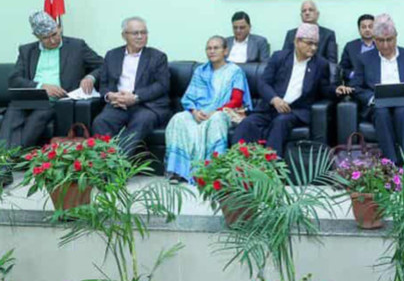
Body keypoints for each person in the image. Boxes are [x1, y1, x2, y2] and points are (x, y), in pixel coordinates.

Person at [1, 11, 103, 149]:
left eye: (54, 34)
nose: (53, 40)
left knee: (38, 117)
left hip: (56, 100)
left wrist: (90, 77)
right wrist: (40, 86)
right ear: (37, 37)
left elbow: (103, 65)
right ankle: (4, 155)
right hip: (31, 97)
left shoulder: (77, 46)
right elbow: (14, 79)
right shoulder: (27, 50)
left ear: (59, 28)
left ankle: (15, 153)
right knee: (12, 112)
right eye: (46, 38)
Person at [234, 23, 333, 157]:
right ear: (297, 41)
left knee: (280, 122)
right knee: (247, 123)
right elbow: (263, 83)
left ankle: (271, 164)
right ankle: (237, 161)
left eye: (316, 44)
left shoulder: (320, 64)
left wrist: (337, 90)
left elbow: (325, 89)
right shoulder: (279, 57)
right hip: (270, 107)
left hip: (294, 111)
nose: (314, 48)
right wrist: (274, 99)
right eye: (309, 43)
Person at [164, 36, 252, 183]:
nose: (212, 51)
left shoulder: (235, 71)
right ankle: (177, 171)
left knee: (217, 119)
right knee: (178, 118)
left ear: (225, 51)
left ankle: (213, 170)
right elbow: (189, 98)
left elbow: (236, 100)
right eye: (209, 48)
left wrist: (215, 111)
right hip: (199, 112)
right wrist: (194, 112)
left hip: (223, 112)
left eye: (216, 48)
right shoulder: (200, 71)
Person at [350, 14, 404, 164]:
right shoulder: (364, 59)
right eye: (381, 40)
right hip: (377, 107)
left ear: (396, 37)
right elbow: (356, 87)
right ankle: (391, 165)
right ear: (374, 39)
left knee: (402, 112)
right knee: (381, 113)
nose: (386, 45)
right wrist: (372, 98)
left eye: (389, 40)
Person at [93, 16, 171, 157]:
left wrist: (135, 97)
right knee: (101, 121)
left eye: (143, 32)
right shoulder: (112, 55)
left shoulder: (158, 57)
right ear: (124, 35)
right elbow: (103, 85)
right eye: (135, 33)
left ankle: (118, 162)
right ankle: (104, 160)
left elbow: (162, 85)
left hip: (146, 105)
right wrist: (110, 96)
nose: (140, 36)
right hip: (118, 104)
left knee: (141, 121)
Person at [281, 0, 338, 64]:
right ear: (301, 16)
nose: (307, 13)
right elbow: (284, 58)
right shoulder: (291, 34)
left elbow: (332, 63)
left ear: (317, 14)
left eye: (311, 10)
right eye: (304, 11)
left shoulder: (328, 35)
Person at [336, 14, 376, 96]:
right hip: (355, 86)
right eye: (364, 27)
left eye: (370, 26)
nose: (367, 29)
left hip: (375, 84)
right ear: (359, 29)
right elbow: (342, 68)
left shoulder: (381, 46)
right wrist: (353, 74)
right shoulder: (350, 46)